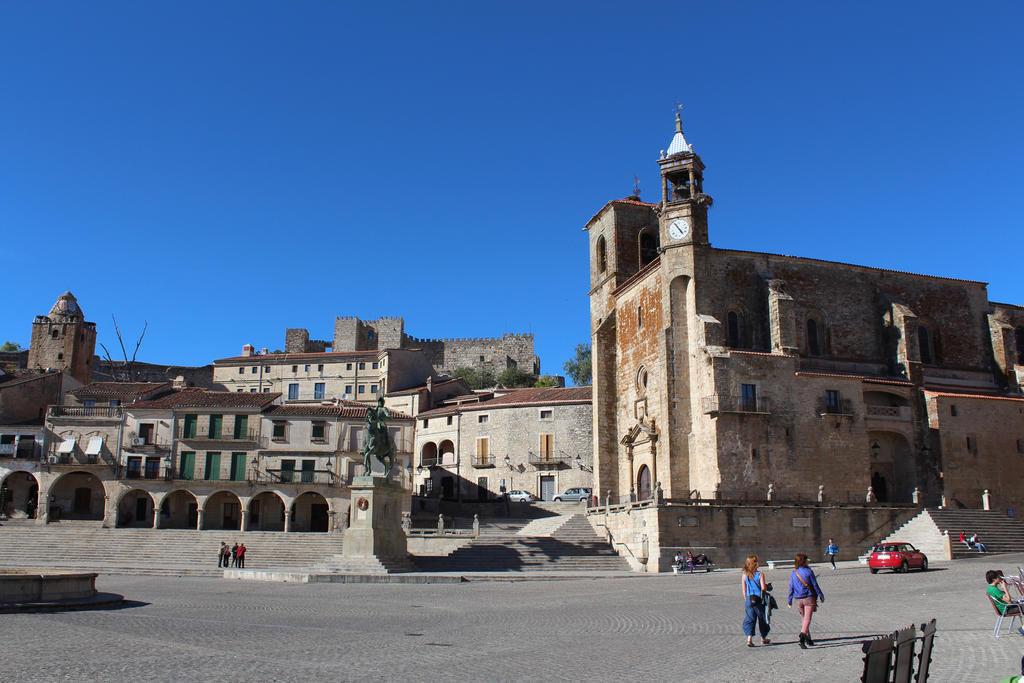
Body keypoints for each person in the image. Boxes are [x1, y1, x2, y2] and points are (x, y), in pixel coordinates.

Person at [787, 553, 826, 648]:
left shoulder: (794, 572)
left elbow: (791, 586)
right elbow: (815, 585)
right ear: (804, 561)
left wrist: (789, 599)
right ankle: (802, 636)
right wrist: (820, 595)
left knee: (804, 619)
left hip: (798, 599)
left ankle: (808, 638)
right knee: (807, 618)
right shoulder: (809, 571)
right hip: (808, 597)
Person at [741, 555, 770, 647]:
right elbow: (763, 588)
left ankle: (749, 639)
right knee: (762, 618)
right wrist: (767, 586)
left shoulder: (744, 575)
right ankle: (763, 638)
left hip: (749, 599)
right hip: (758, 599)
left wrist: (746, 598)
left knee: (750, 618)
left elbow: (744, 590)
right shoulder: (760, 574)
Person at [987, 569, 1024, 635]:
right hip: (1006, 609)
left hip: (1006, 607)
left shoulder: (990, 588)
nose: (1000, 578)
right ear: (994, 579)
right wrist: (1005, 588)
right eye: (998, 577)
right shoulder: (994, 590)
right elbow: (1009, 600)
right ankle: (1023, 629)